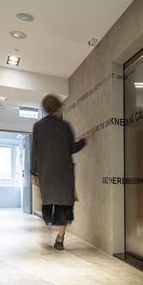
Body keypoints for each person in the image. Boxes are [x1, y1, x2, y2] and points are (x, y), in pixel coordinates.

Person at [30, 94, 93, 250]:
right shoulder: (65, 126)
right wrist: (84, 140)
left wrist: (33, 173)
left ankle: (49, 220)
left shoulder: (38, 126)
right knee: (64, 205)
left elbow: (35, 151)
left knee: (48, 201)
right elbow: (72, 148)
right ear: (59, 107)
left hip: (46, 173)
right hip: (64, 173)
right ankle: (60, 239)